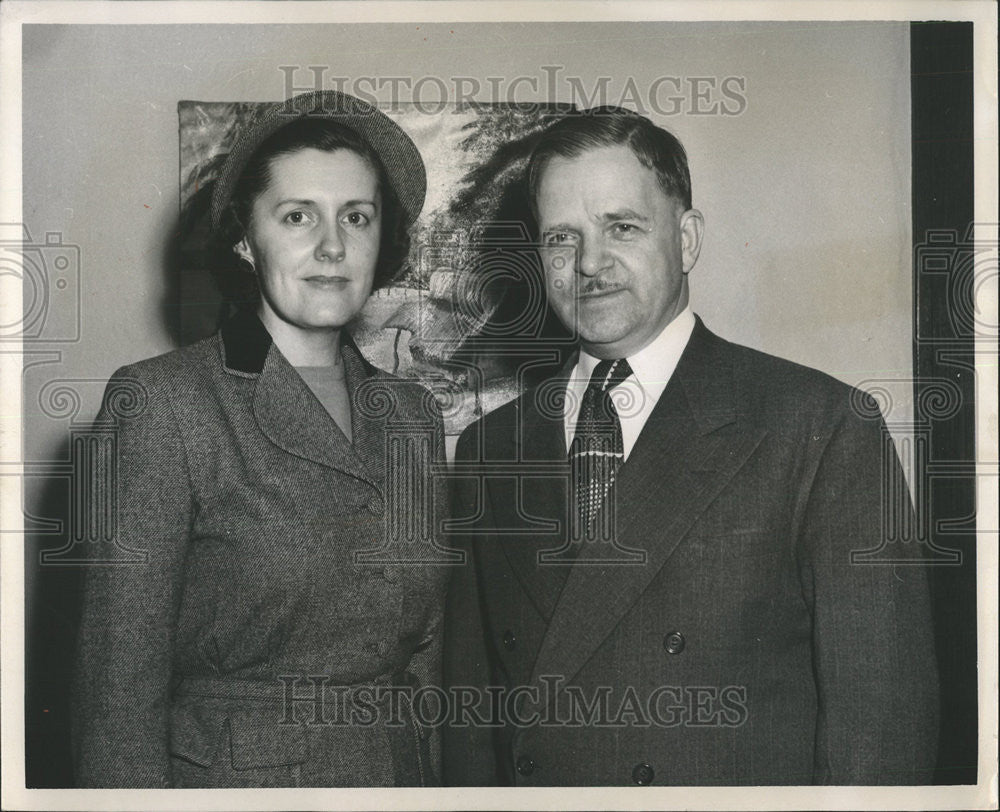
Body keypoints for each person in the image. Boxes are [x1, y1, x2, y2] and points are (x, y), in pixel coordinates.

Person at [442, 106, 939, 786]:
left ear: (687, 240)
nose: (589, 262)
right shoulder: (487, 449)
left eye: (622, 227)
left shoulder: (818, 425)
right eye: (563, 237)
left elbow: (882, 733)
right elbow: (472, 730)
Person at [72, 90, 448, 788]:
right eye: (298, 216)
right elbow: (115, 698)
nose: (332, 246)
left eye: (356, 218)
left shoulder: (412, 416)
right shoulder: (164, 404)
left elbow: (426, 656)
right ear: (246, 240)